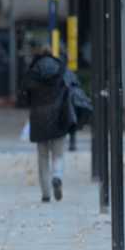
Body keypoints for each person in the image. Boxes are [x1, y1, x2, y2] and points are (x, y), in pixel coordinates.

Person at [20, 43, 75, 203]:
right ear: (52, 54)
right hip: (58, 116)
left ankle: (46, 193)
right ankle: (57, 176)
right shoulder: (61, 68)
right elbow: (70, 88)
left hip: (38, 117)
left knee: (42, 157)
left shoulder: (33, 71)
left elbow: (24, 94)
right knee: (58, 154)